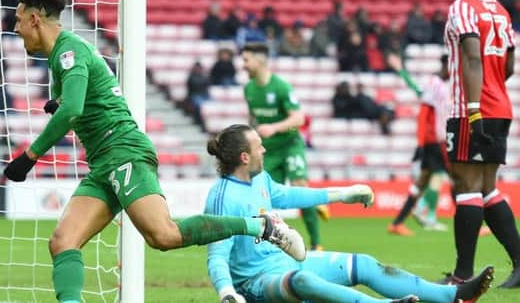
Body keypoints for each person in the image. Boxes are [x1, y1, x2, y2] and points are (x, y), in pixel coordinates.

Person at [3, 0, 307, 303]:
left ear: (35, 19)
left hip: (123, 152)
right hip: (103, 161)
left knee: (163, 235)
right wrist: (60, 104)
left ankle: (262, 226)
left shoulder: (69, 51)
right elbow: (73, 100)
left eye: (19, 20)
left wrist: (30, 156)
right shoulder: (61, 57)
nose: (16, 29)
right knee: (63, 241)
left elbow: (72, 109)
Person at [204, 124, 494, 303]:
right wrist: (227, 294)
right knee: (302, 282)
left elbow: (291, 195)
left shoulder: (259, 179)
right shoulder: (222, 198)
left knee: (365, 265)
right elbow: (217, 256)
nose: (264, 149)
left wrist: (345, 193)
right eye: (258, 147)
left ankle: (455, 296)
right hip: (258, 285)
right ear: (244, 157)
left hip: (288, 263)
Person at [442, 0, 520, 287]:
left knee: (466, 187)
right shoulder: (501, 11)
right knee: (488, 189)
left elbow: (472, 57)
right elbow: (510, 65)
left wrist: (474, 110)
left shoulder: (462, 7)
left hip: (470, 108)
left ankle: (462, 275)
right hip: (501, 106)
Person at [241, 42, 327, 251]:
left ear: (260, 60)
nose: (243, 65)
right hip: (267, 151)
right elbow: (253, 118)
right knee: (264, 197)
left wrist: (274, 127)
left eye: (246, 60)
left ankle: (316, 244)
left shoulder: (281, 87)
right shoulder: (249, 89)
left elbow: (298, 118)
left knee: (299, 184)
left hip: (290, 144)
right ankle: (273, 243)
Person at [388, 54, 450, 236]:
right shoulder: (436, 84)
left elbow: (418, 91)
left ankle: (398, 222)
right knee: (444, 177)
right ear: (447, 65)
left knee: (422, 182)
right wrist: (421, 143)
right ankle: (426, 213)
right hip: (434, 141)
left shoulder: (438, 85)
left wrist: (401, 70)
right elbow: (424, 113)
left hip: (434, 140)